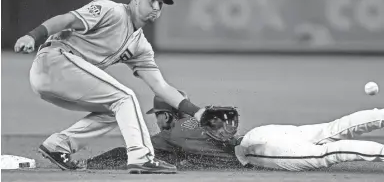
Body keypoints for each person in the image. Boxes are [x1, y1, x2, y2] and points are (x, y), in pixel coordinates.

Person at [13, 0, 206, 174]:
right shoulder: (112, 11)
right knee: (125, 97)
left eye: (161, 3)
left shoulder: (140, 46)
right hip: (54, 61)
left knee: (116, 109)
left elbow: (161, 87)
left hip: (64, 76)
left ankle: (59, 146)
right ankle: (142, 157)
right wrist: (33, 35)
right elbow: (67, 19)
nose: (157, 6)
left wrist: (198, 112)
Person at [83, 92, 384, 171]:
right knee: (333, 128)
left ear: (167, 114)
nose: (157, 120)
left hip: (258, 151)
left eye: (159, 114)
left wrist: (92, 163)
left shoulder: (170, 133)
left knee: (324, 155)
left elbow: (133, 151)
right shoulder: (194, 121)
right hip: (267, 133)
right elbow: (219, 123)